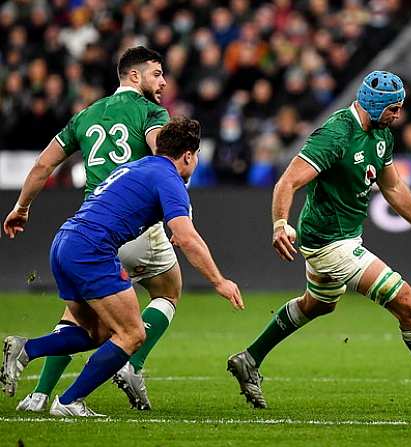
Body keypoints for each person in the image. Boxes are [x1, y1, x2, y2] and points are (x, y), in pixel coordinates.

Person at [226, 70, 411, 409]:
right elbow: (286, 182)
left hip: (343, 235)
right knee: (409, 304)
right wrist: (279, 224)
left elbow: (392, 187)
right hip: (329, 242)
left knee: (317, 304)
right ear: (374, 105)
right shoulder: (335, 134)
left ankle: (249, 358)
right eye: (393, 109)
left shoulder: (380, 135)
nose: (398, 116)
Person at [1, 117, 243, 417]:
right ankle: (68, 402)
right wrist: (219, 281)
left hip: (65, 241)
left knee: (96, 331)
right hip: (92, 250)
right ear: (189, 155)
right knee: (133, 334)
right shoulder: (169, 178)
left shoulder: (136, 166)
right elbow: (186, 236)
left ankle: (27, 349)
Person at [2, 46, 181, 411]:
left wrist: (21, 208)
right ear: (134, 76)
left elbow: (41, 166)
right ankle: (132, 364)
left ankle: (38, 395)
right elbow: (164, 157)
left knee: (80, 319)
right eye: (156, 73)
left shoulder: (85, 115)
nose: (163, 82)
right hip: (134, 225)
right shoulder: (150, 112)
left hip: (90, 226)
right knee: (168, 292)